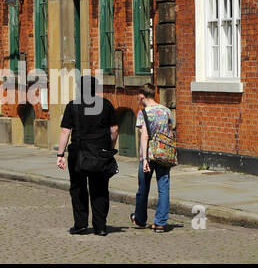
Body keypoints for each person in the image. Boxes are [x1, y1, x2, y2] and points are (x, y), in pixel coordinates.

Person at [54, 75, 118, 236]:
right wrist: (110, 148)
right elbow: (114, 129)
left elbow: (65, 131)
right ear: (96, 89)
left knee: (78, 189)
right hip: (100, 153)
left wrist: (60, 154)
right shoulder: (106, 104)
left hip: (78, 154)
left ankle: (81, 224)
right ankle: (101, 226)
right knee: (100, 190)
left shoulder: (72, 106)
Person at [131, 85, 175, 232]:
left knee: (143, 188)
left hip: (148, 155)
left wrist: (144, 159)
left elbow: (144, 136)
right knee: (163, 187)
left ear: (143, 96)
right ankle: (160, 222)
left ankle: (140, 219)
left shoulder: (143, 113)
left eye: (139, 97)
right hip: (163, 153)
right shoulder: (166, 111)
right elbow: (170, 133)